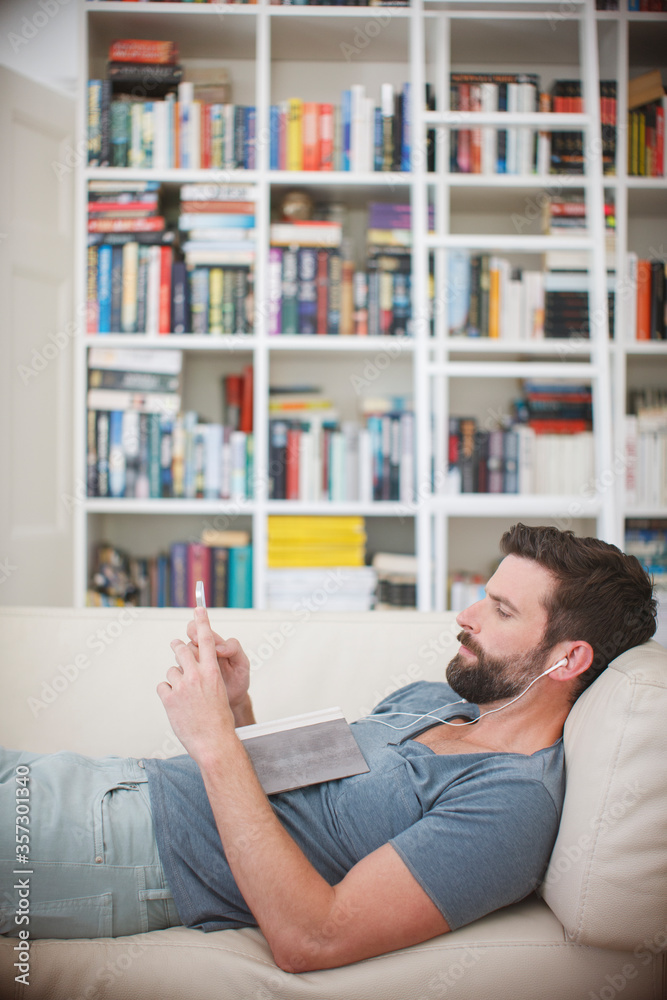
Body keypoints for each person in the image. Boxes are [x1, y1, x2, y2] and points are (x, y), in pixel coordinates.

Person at [0, 524, 657, 973]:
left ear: (568, 658)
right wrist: (236, 711)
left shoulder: (511, 805)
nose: (465, 616)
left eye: (501, 612)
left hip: (123, 850)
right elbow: (283, 786)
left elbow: (310, 937)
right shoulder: (438, 698)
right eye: (481, 597)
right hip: (102, 782)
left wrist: (210, 742)